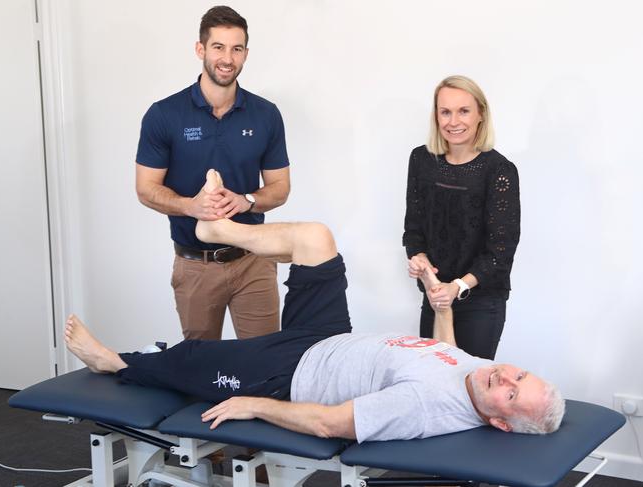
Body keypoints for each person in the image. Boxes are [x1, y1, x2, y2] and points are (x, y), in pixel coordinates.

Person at [66, 171, 563, 443]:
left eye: (514, 396)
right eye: (521, 376)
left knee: (191, 357)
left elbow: (332, 424)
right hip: (328, 338)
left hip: (288, 374)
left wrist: (257, 405)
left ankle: (112, 361)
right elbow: (447, 353)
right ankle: (215, 229)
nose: (508, 380)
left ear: (499, 422)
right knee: (315, 239)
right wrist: (443, 303)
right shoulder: (484, 373)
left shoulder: (426, 409)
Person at [135, 6, 290, 341]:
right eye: (218, 47)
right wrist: (192, 206)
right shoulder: (164, 115)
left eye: (236, 49)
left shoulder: (266, 115)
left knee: (264, 366)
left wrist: (247, 200)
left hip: (254, 260)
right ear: (200, 49)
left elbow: (280, 188)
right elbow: (146, 188)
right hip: (195, 265)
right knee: (202, 372)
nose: (227, 58)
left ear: (246, 54)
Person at [403, 75, 521, 360]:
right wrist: (419, 257)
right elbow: (413, 229)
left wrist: (457, 286)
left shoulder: (499, 171)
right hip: (435, 296)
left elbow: (499, 253)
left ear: (480, 114)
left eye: (463, 111)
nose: (453, 121)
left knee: (470, 391)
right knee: (431, 382)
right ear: (436, 116)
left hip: (480, 301)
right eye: (445, 111)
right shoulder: (421, 160)